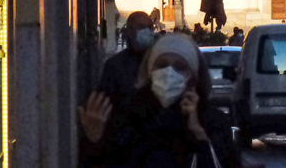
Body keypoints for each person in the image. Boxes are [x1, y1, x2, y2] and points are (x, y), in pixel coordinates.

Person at [80, 33, 240, 167]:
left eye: (179, 67)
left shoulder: (213, 122)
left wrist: (198, 133)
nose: (169, 73)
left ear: (193, 77)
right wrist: (94, 141)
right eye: (162, 65)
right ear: (150, 71)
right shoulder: (127, 117)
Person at [97, 11, 155, 113]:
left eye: (150, 27)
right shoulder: (114, 65)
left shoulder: (160, 61)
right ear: (129, 31)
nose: (146, 31)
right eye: (141, 27)